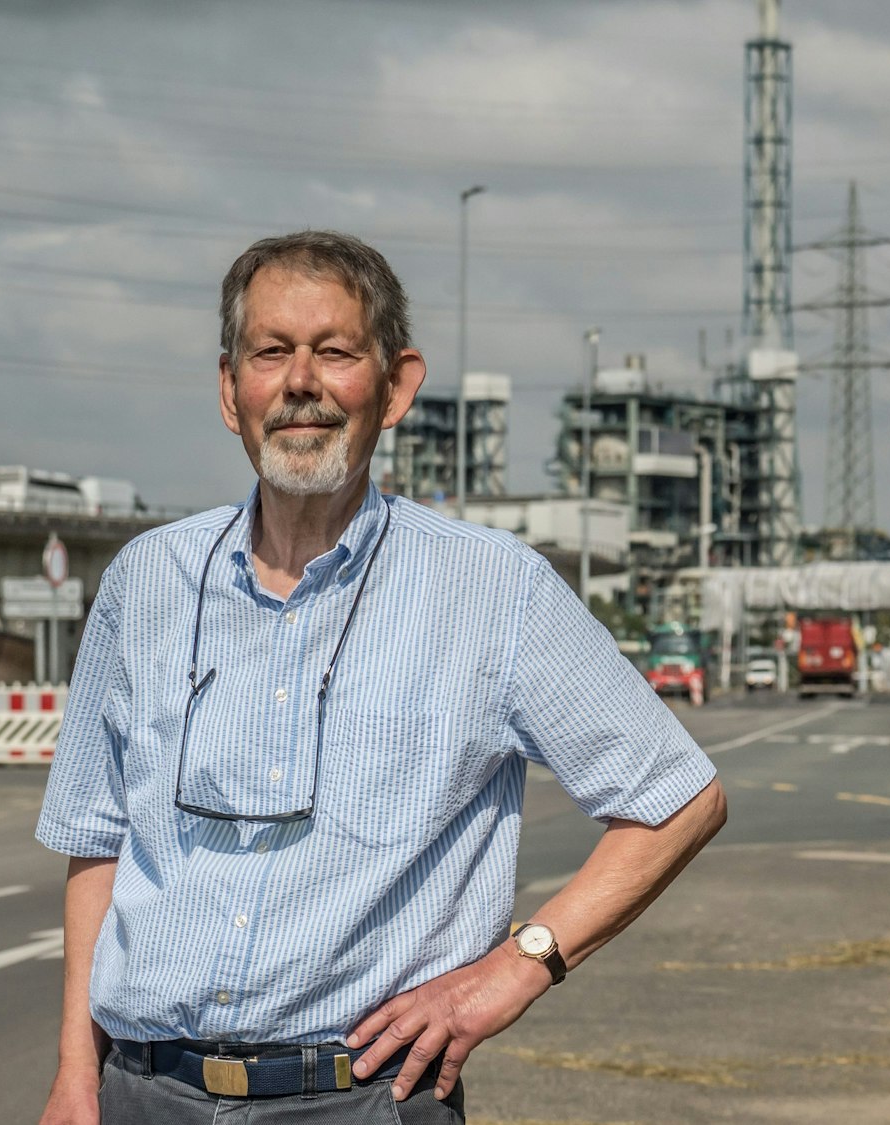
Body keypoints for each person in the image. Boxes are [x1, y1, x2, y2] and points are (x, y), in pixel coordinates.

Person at [36, 230, 727, 1125]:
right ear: (227, 388)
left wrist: (515, 969)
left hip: (362, 1101)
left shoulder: (492, 589)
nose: (300, 383)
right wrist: (74, 1078)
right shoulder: (147, 581)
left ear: (396, 386)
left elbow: (679, 798)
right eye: (270, 352)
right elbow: (98, 842)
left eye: (335, 352)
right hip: (142, 1094)